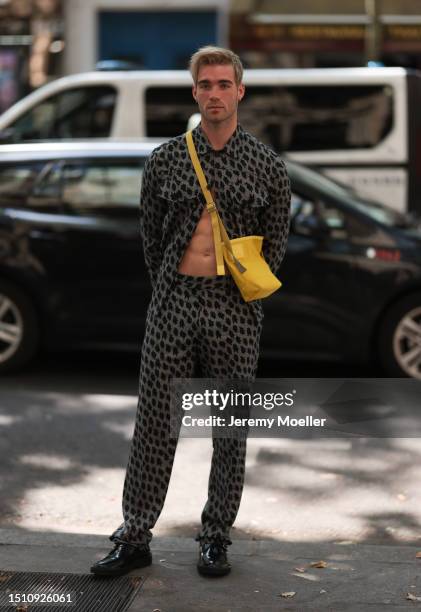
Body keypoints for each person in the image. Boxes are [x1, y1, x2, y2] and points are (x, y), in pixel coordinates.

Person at [90, 46, 290, 578]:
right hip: (175, 301)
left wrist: (248, 304)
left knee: (228, 428)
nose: (215, 93)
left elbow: (276, 247)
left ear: (240, 91)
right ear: (195, 91)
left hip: (234, 308)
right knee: (155, 422)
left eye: (225, 84)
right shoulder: (166, 159)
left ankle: (216, 536)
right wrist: (171, 293)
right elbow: (152, 241)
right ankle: (135, 536)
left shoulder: (268, 166)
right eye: (206, 84)